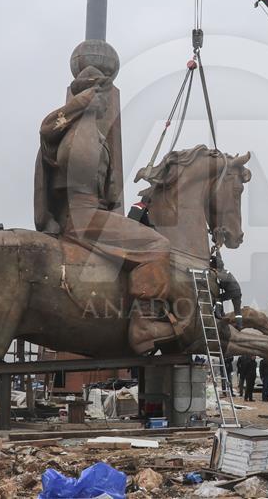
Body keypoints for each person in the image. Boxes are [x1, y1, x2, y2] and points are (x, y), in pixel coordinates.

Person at [33, 40, 183, 355]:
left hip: (92, 212)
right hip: (84, 217)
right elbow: (48, 129)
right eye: (101, 95)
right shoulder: (74, 134)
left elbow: (111, 191)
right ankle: (144, 323)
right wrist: (79, 103)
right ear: (89, 97)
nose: (105, 103)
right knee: (157, 245)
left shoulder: (95, 138)